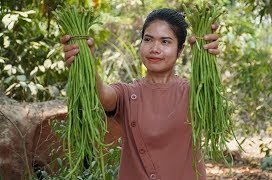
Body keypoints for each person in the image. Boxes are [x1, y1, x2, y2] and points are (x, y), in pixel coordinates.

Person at [61, 8, 220, 180]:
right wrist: (86, 63)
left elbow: (214, 109)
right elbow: (103, 96)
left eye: (165, 42)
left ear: (179, 51)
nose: (154, 49)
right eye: (148, 39)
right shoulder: (128, 93)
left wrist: (207, 56)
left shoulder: (193, 92)